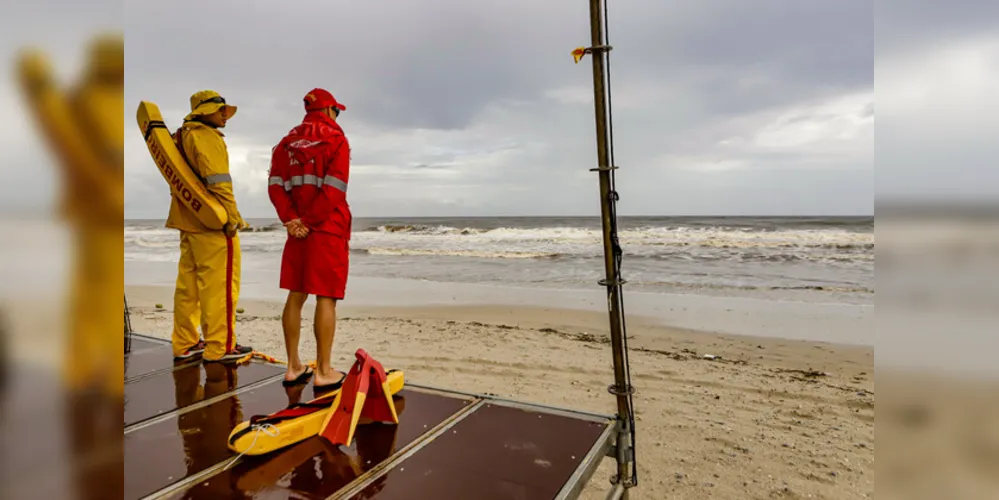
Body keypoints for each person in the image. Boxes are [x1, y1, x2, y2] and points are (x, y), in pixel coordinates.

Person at [268, 88, 352, 391]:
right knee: (325, 297)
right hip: (326, 228)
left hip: (297, 230)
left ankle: (293, 366)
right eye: (337, 111)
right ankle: (324, 370)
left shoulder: (284, 144)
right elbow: (334, 189)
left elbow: (275, 186)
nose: (337, 117)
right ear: (329, 110)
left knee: (296, 293)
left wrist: (291, 220)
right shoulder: (337, 140)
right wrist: (310, 222)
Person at [168, 89, 252, 362]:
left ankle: (185, 343)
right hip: (211, 223)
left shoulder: (179, 137)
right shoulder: (205, 136)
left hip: (187, 220)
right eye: (221, 111)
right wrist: (232, 217)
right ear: (206, 111)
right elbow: (219, 181)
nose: (225, 116)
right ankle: (220, 346)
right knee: (221, 286)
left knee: (188, 287)